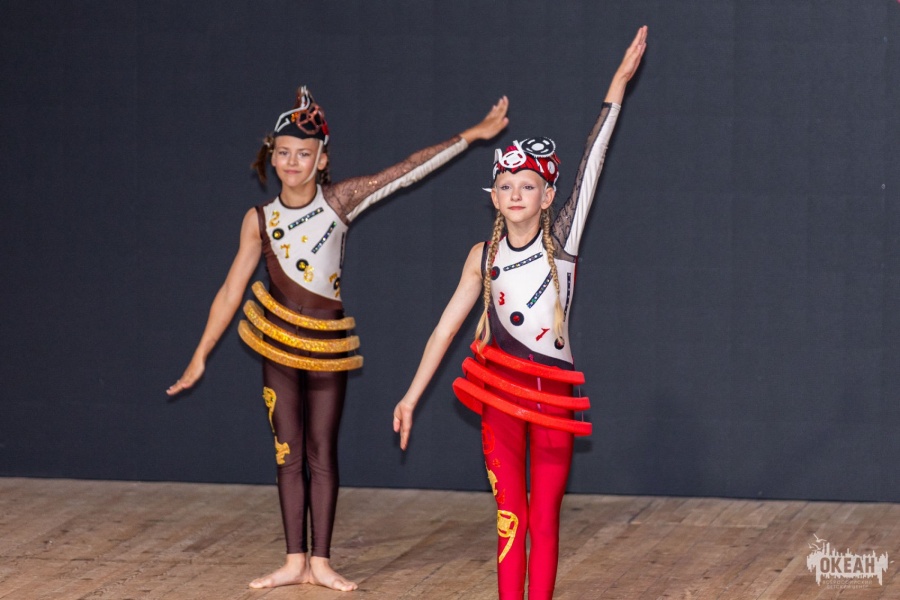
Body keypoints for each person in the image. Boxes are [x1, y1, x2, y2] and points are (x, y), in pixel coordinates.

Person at [167, 85, 509, 591]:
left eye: (303, 154)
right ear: (272, 156)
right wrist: (200, 356)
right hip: (278, 347)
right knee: (287, 452)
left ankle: (322, 561)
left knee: (321, 451)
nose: (292, 162)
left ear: (322, 160)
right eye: (284, 153)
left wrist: (472, 136)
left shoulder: (338, 202)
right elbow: (230, 290)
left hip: (327, 348)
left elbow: (405, 170)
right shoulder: (258, 220)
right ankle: (294, 560)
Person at [393, 26, 647, 600]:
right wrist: (410, 396)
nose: (514, 194)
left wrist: (617, 85)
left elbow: (593, 159)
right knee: (511, 516)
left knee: (544, 518)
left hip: (553, 397)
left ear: (547, 197)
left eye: (527, 186)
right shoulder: (480, 257)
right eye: (505, 185)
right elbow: (443, 330)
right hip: (499, 397)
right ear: (493, 196)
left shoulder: (564, 242)